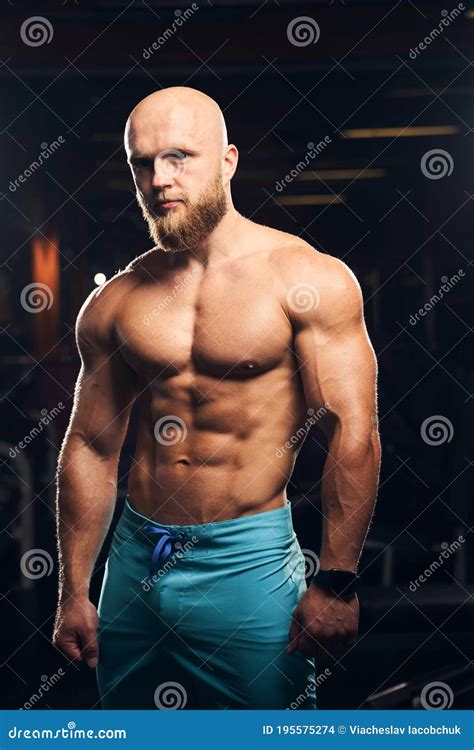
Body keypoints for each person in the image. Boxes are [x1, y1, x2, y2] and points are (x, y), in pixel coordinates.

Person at [52, 86, 381, 710]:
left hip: (246, 562)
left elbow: (352, 430)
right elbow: (91, 448)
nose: (159, 179)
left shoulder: (306, 278)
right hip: (137, 555)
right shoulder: (117, 301)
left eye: (180, 157)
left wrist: (336, 579)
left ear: (227, 161)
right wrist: (73, 590)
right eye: (142, 163)